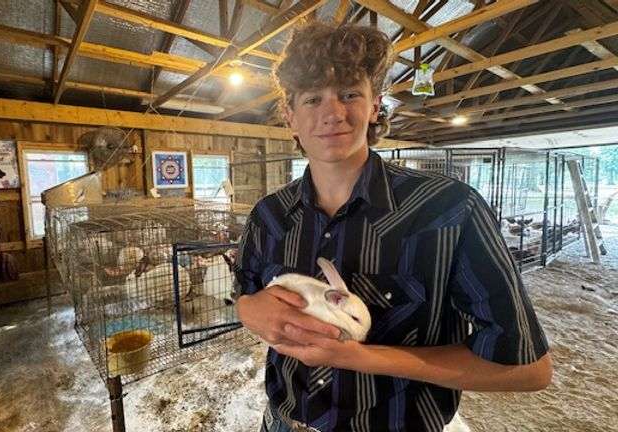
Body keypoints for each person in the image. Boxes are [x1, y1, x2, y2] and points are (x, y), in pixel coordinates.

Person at [233, 22, 552, 432]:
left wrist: (360, 358)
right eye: (313, 99)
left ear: (375, 106)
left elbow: (530, 370)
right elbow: (244, 292)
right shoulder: (269, 215)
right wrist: (247, 309)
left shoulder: (449, 211)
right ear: (290, 118)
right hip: (283, 423)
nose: (332, 113)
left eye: (350, 93)